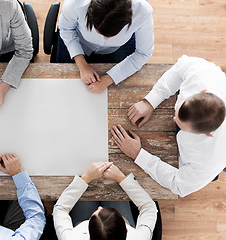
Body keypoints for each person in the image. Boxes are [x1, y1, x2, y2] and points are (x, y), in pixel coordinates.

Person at [111, 55, 226, 197]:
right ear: (201, 92)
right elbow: (179, 69)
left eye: (182, 125)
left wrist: (138, 154)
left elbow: (178, 184)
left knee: (205, 177)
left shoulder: (209, 160)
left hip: (210, 160)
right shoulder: (203, 73)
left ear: (207, 134)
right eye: (178, 111)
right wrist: (151, 101)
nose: (173, 118)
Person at [57, 0, 154, 94]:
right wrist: (81, 64)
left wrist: (108, 79)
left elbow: (143, 53)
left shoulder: (143, 11)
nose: (105, 39)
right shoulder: (74, 3)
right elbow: (66, 29)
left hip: (117, 49)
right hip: (77, 40)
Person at [53, 161, 157, 240]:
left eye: (97, 211)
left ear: (89, 237)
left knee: (82, 167)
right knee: (113, 186)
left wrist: (86, 178)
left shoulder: (72, 238)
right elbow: (149, 208)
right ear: (126, 230)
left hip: (82, 223)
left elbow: (60, 209)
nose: (100, 208)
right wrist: (120, 178)